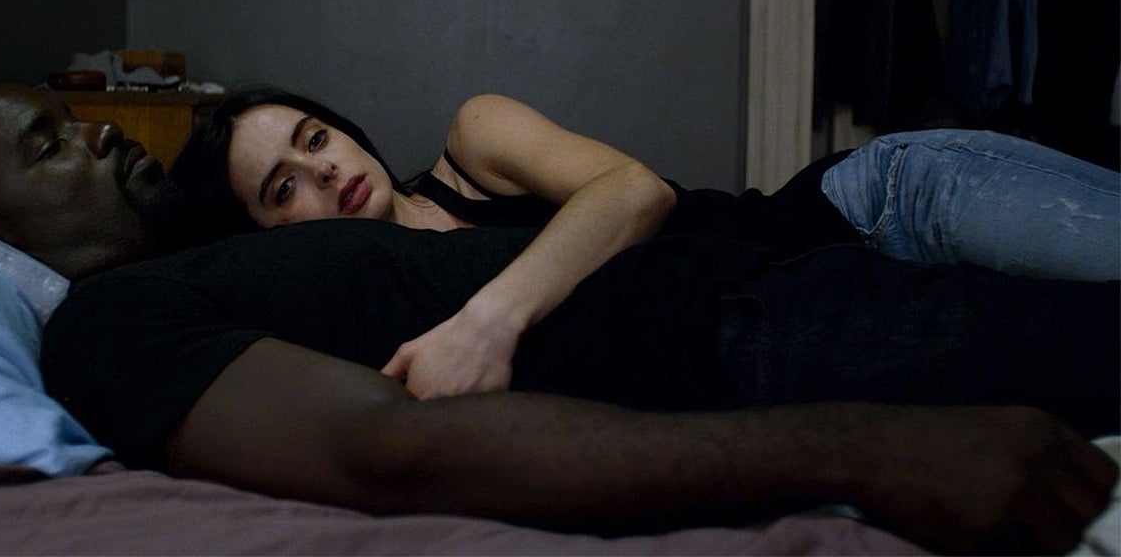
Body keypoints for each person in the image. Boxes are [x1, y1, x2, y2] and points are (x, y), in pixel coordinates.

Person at [0, 83, 1120, 556]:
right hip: (753, 333)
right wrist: (860, 447)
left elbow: (632, 194)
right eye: (47, 142)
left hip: (814, 254)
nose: (103, 126)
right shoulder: (107, 326)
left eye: (315, 142)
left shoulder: (220, 270)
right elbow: (388, 447)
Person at [167, 87, 1121, 399]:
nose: (325, 170)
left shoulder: (473, 139)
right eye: (282, 187)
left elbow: (635, 191)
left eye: (315, 139)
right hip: (842, 318)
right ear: (257, 243)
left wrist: (489, 321)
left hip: (879, 206)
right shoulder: (359, 320)